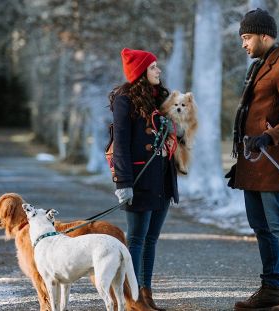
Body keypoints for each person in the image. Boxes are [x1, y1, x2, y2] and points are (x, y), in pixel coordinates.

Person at [226, 8, 279, 311]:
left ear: (264, 35)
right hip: (252, 164)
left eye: (247, 37)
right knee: (261, 227)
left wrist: (269, 138)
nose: (243, 44)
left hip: (273, 163)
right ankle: (271, 288)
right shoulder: (261, 65)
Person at [110, 48, 178, 311]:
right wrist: (123, 183)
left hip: (161, 179)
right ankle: (133, 299)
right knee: (137, 239)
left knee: (151, 239)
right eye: (153, 67)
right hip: (138, 179)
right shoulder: (124, 100)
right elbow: (121, 145)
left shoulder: (160, 99)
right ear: (140, 73)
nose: (158, 71)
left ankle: (146, 295)